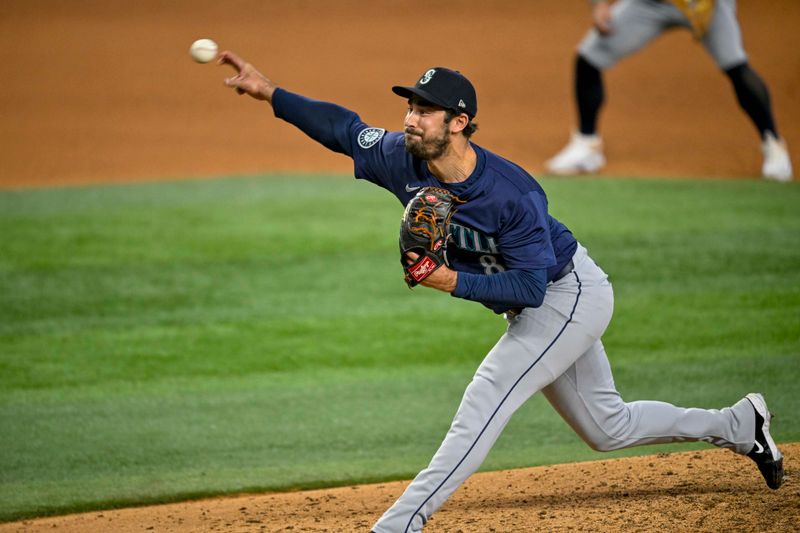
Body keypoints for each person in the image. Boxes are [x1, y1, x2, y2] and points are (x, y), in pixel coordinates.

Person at [217, 51, 785, 532]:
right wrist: (270, 92)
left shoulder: (513, 195)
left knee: (484, 400)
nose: (410, 119)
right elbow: (341, 128)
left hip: (568, 295)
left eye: (424, 110)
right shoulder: (402, 156)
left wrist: (445, 279)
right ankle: (738, 424)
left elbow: (532, 289)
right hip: (540, 300)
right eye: (409, 107)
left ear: (459, 122)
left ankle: (399, 525)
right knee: (607, 428)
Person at [545, 0, 793, 181]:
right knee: (589, 58)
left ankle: (773, 145)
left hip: (707, 4)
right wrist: (599, 5)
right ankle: (587, 147)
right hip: (651, 4)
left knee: (736, 65)